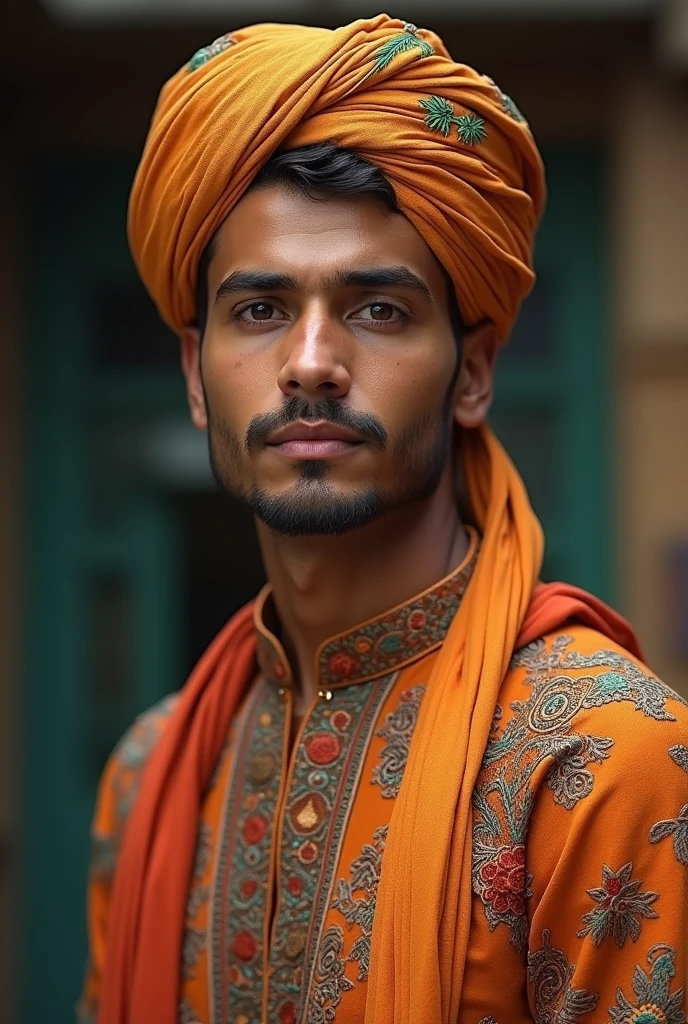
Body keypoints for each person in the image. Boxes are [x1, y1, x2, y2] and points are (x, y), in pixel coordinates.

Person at [79, 15, 688, 1024]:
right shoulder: (150, 777)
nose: (311, 360)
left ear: (474, 371)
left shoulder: (601, 757)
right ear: (195, 375)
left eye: (378, 309)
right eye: (260, 309)